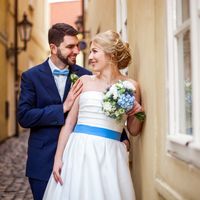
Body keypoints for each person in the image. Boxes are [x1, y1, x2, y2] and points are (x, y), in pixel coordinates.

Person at [17, 24, 129, 200]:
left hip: (80, 161)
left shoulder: (86, 76)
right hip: (43, 160)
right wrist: (62, 108)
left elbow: (102, 109)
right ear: (53, 48)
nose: (76, 50)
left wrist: (122, 138)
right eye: (70, 46)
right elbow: (24, 117)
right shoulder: (31, 76)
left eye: (77, 45)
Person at [43, 30, 144, 200]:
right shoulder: (83, 81)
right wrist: (58, 158)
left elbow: (134, 130)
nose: (89, 57)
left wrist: (139, 112)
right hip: (79, 151)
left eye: (95, 51)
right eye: (90, 52)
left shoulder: (131, 86)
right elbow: (68, 124)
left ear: (111, 54)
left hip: (111, 155)